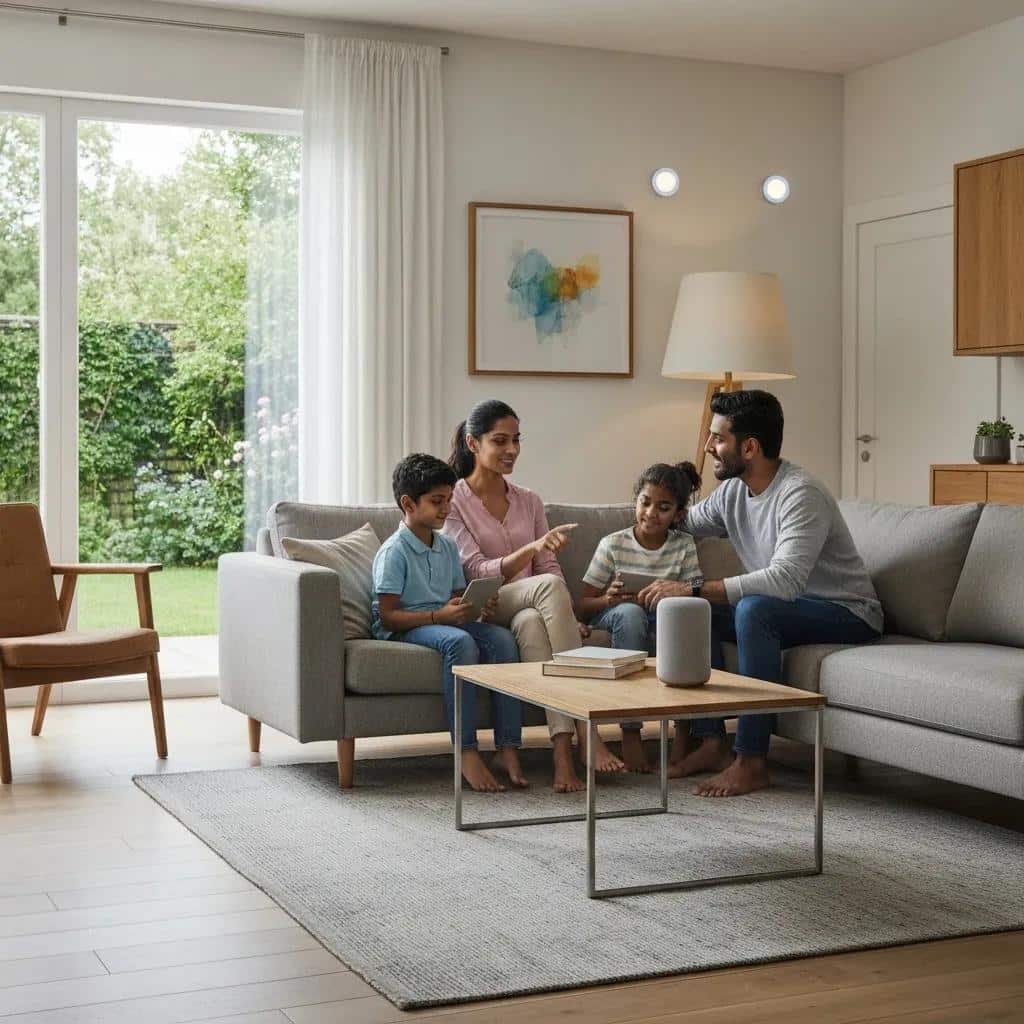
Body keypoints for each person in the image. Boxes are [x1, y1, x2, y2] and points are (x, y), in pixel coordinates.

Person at [635, 390, 883, 797]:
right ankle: (711, 741)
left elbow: (785, 581)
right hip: (788, 609)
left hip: (846, 612)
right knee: (689, 610)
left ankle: (751, 761)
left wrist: (693, 585)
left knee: (752, 611)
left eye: (718, 438)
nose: (708, 446)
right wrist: (645, 516)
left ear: (748, 448)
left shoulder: (800, 494)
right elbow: (684, 522)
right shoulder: (734, 492)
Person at [444, 399, 626, 793]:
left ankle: (562, 754)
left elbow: (548, 566)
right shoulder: (453, 501)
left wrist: (560, 609)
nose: (511, 449)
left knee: (531, 622)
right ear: (473, 444)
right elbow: (477, 569)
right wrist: (533, 550)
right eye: (500, 440)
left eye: (516, 440)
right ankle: (587, 728)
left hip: (530, 608)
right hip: (489, 605)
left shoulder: (529, 500)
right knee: (548, 588)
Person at [372, 453, 527, 793]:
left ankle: (508, 748)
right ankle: (466, 750)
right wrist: (436, 616)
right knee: (460, 642)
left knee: (502, 639)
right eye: (436, 501)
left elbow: (457, 596)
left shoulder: (446, 546)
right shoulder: (394, 552)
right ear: (408, 504)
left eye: (449, 499)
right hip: (406, 627)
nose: (446, 508)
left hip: (442, 621)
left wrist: (475, 604)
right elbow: (387, 616)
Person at [577, 461, 704, 773]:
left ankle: (683, 734)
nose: (650, 513)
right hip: (617, 614)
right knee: (632, 614)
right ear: (636, 501)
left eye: (663, 507)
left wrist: (674, 593)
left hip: (662, 617)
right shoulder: (613, 544)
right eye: (645, 503)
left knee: (683, 621)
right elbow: (582, 605)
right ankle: (631, 732)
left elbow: (694, 592)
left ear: (678, 515)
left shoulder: (683, 545)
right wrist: (608, 598)